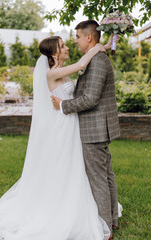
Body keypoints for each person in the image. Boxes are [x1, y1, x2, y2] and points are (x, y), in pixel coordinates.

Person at [0, 34, 114, 239]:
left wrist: (103, 48)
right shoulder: (52, 74)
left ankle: (75, 203)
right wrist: (101, 46)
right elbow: (83, 62)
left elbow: (83, 67)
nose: (67, 48)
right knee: (65, 166)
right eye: (63, 46)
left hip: (71, 123)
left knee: (75, 167)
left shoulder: (62, 72)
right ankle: (61, 208)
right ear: (55, 52)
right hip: (63, 127)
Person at [52, 20, 122, 239]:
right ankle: (112, 221)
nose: (76, 41)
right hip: (98, 127)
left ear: (89, 37)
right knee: (106, 175)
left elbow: (90, 98)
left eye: (78, 37)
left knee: (98, 178)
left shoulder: (98, 61)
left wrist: (63, 105)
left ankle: (105, 228)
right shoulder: (97, 58)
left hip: (95, 128)